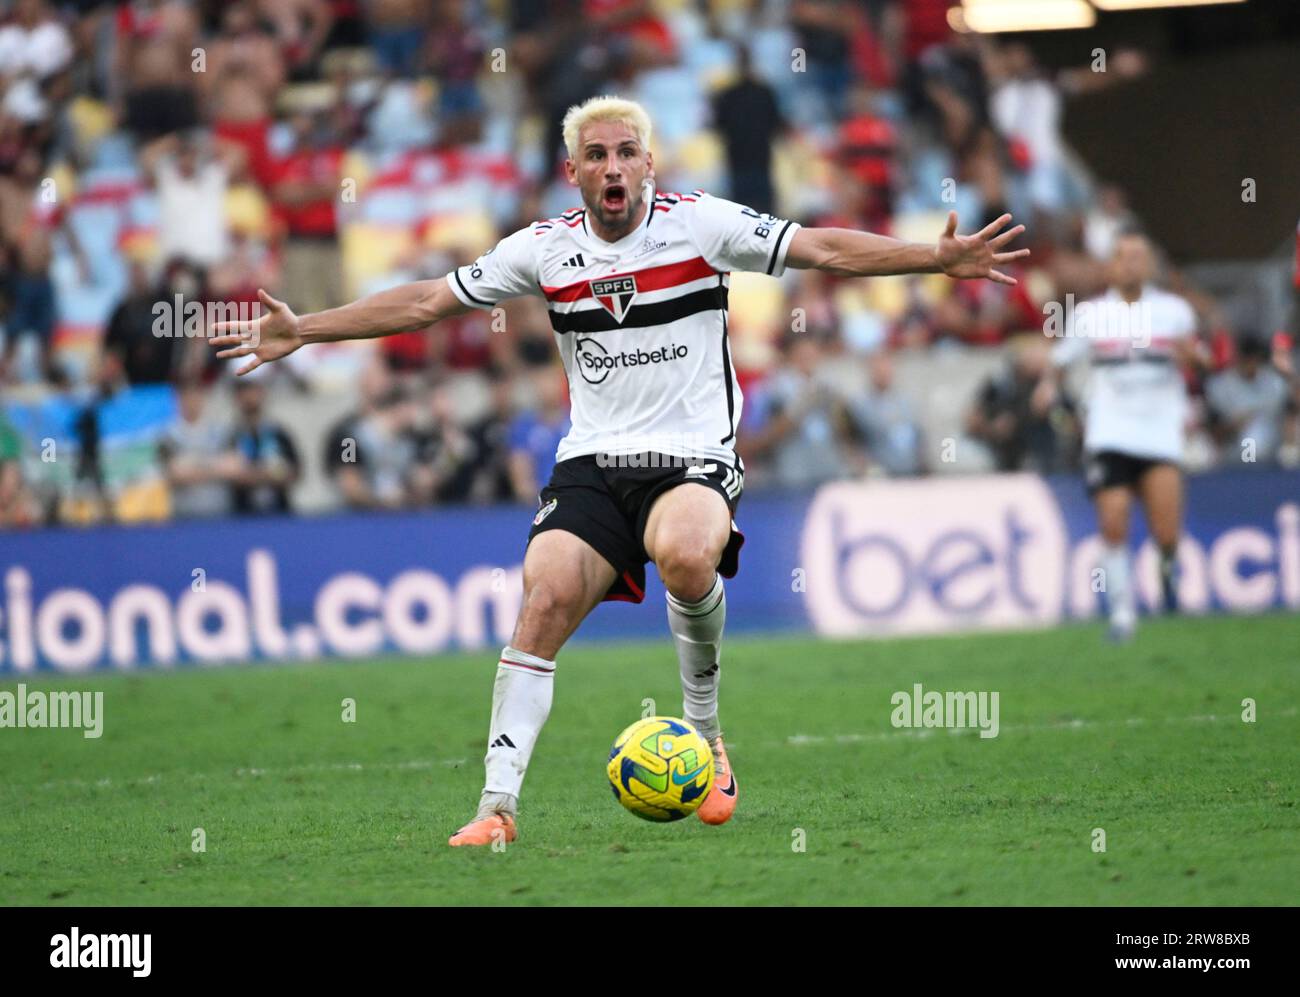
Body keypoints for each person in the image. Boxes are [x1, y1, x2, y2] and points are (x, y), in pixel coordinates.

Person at [209, 95, 1027, 847]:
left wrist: (932, 256)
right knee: (547, 596)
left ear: (648, 164)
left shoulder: (701, 225)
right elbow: (428, 302)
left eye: (625, 152)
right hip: (594, 463)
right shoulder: (545, 249)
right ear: (573, 171)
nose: (611, 167)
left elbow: (820, 248)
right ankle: (496, 808)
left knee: (684, 554)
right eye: (595, 154)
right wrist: (306, 329)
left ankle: (704, 735)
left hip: (692, 456)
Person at [1039, 231, 1201, 642]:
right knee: (1113, 522)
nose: (1130, 264)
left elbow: (1204, 361)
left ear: (1149, 264)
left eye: (1138, 256)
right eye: (1122, 256)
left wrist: (1196, 358)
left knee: (1166, 534)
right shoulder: (1091, 315)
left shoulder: (1175, 312)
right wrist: (1049, 392)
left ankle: (1168, 584)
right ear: (1110, 265)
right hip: (1109, 431)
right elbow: (1059, 361)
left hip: (1160, 432)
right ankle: (1123, 615)